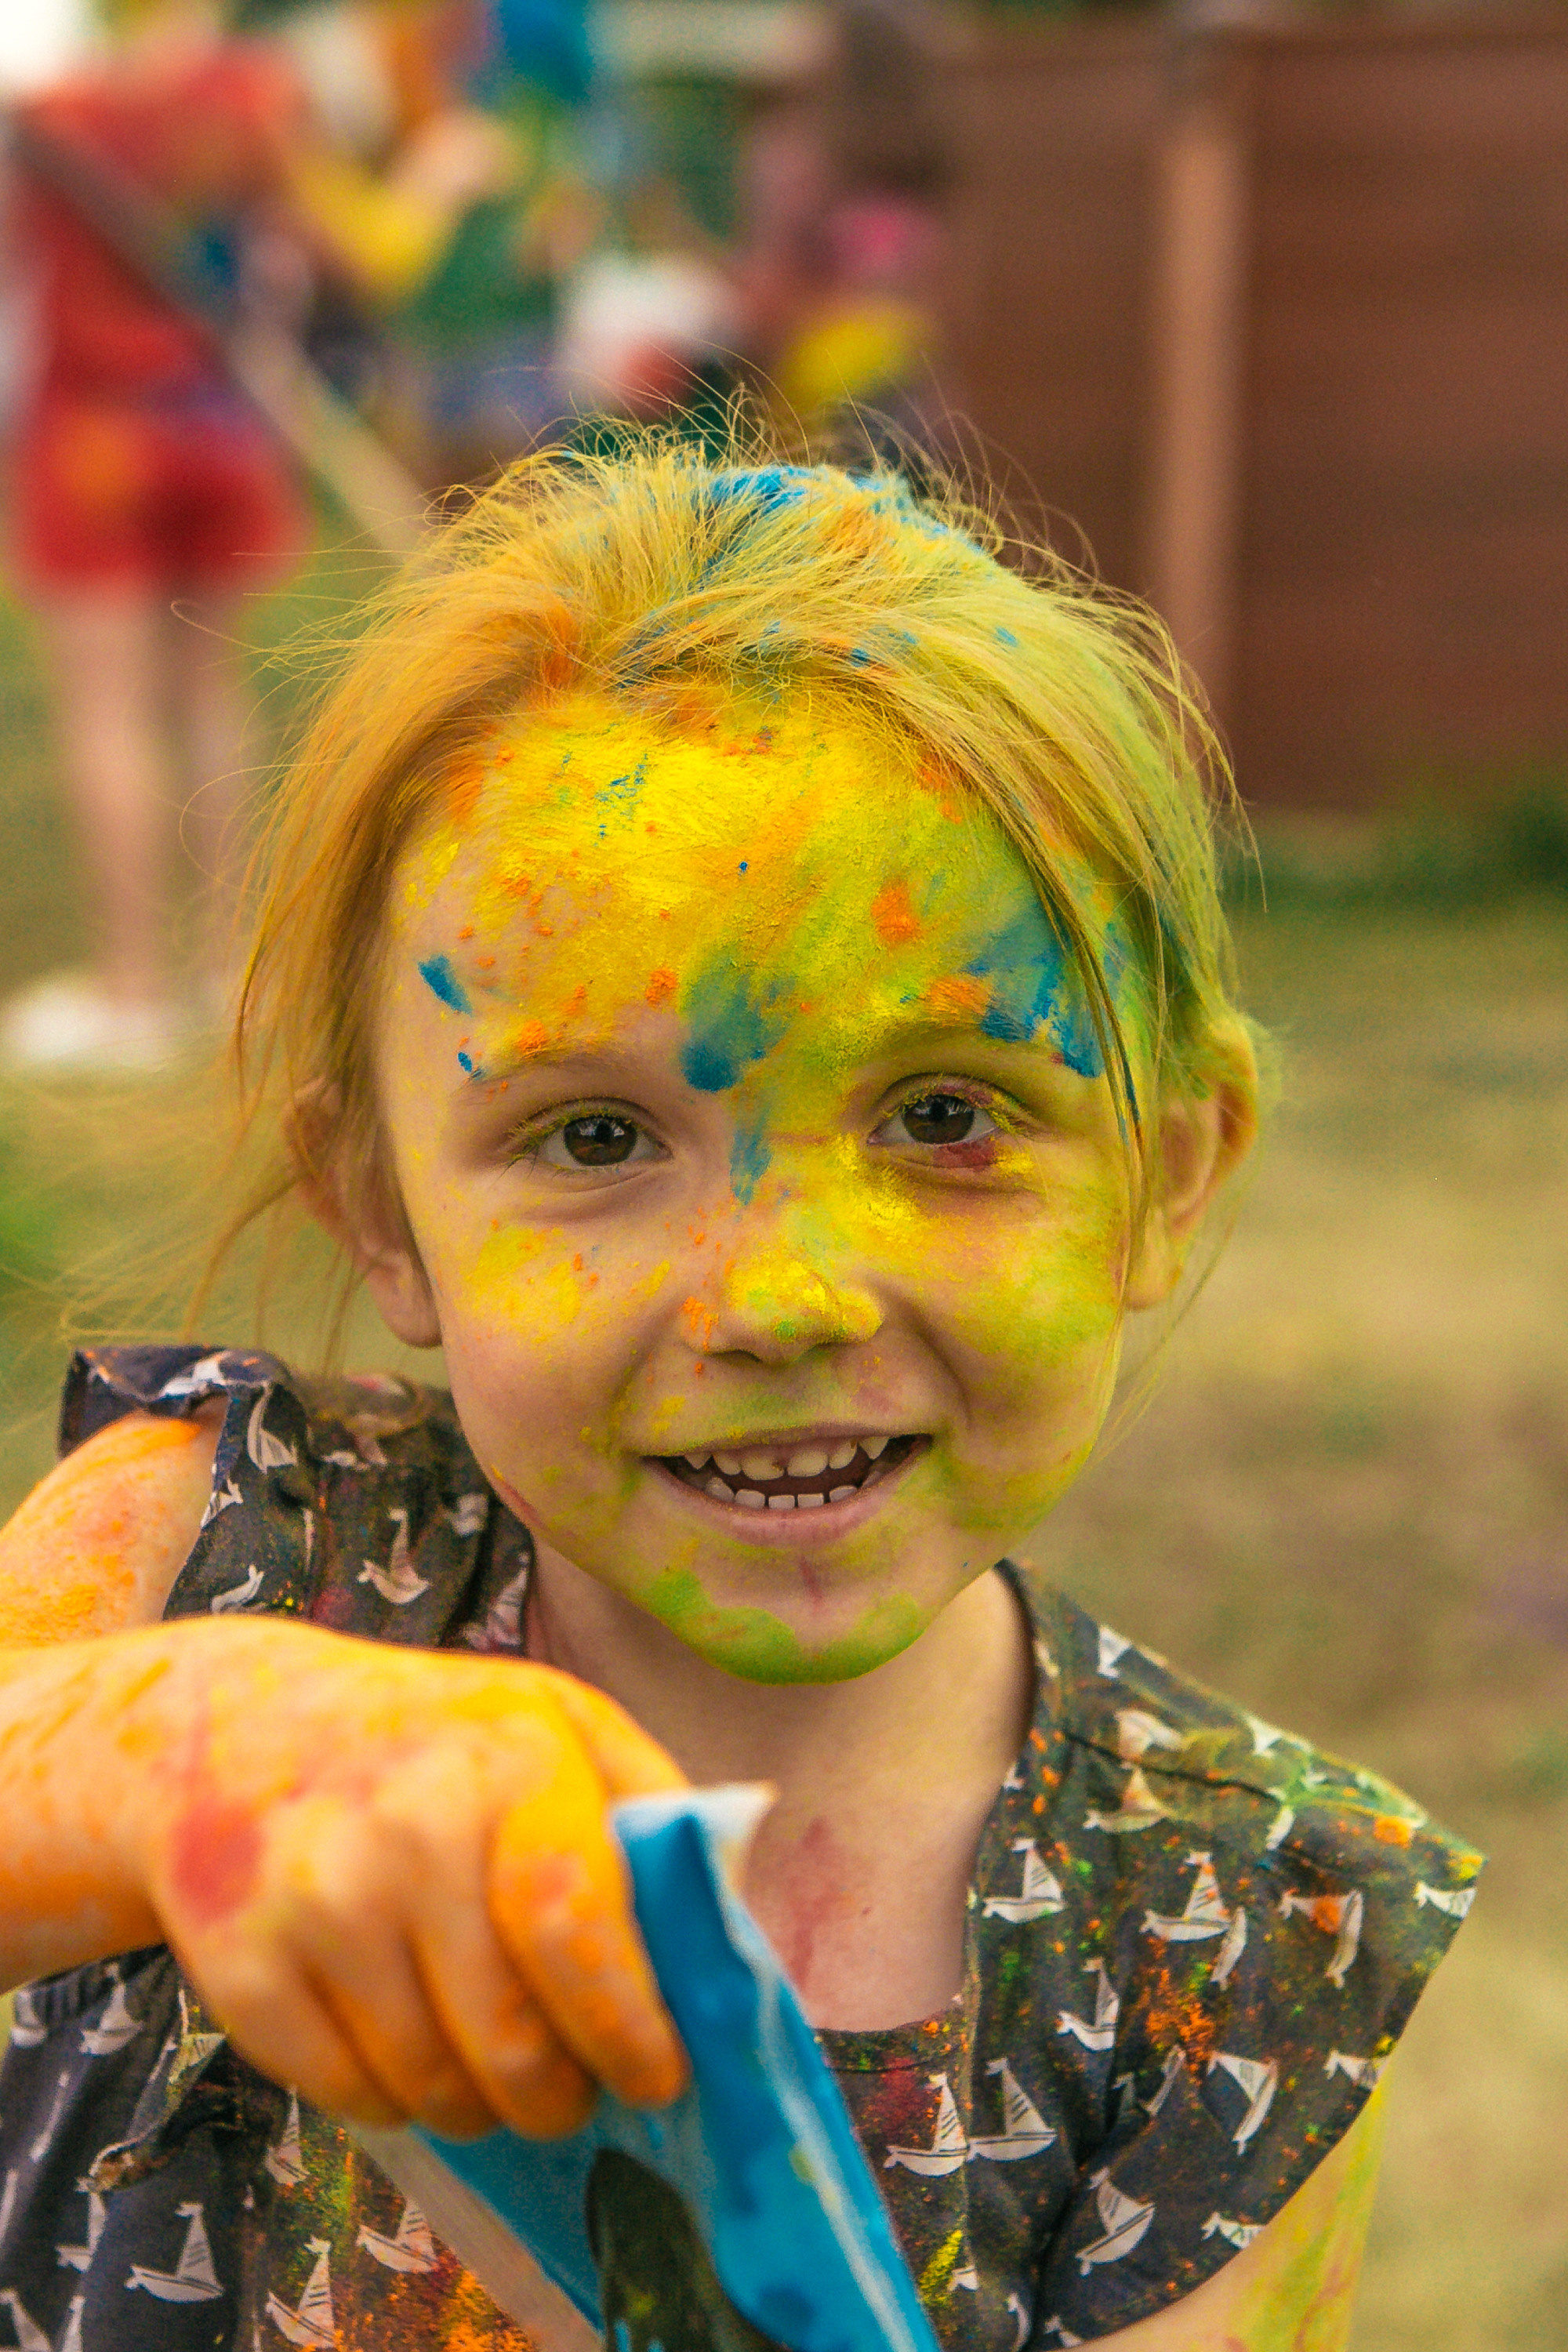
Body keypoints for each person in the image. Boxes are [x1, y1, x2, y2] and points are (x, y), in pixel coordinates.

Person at [0, 445, 1479, 2349]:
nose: (775, 1298)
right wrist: (170, 1754)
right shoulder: (227, 1539)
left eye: (947, 1114)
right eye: (594, 1133)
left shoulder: (1250, 1933)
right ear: (377, 1201)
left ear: (1170, 1171)